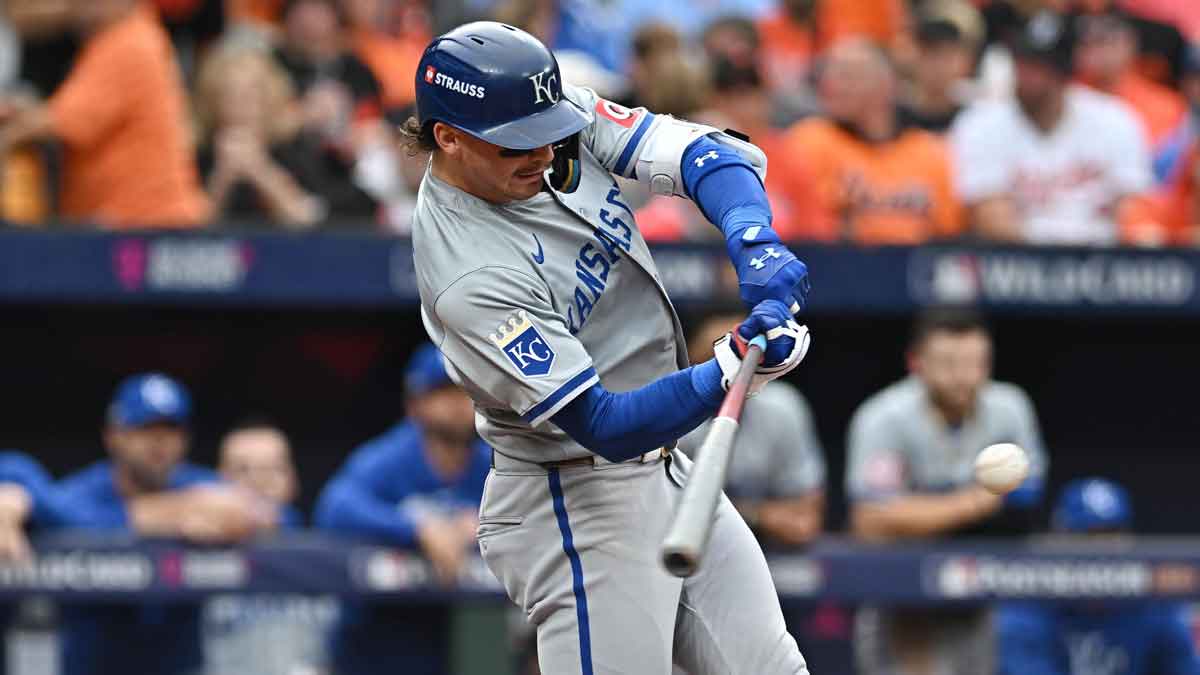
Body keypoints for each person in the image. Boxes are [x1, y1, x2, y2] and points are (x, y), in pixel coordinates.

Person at [408, 21, 812, 674]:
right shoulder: (468, 273)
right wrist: (725, 371)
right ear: (449, 139)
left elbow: (707, 154)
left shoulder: (544, 109)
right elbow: (603, 424)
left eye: (545, 130)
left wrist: (753, 240)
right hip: (574, 497)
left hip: (668, 459)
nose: (541, 151)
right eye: (516, 144)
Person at [846, 308, 1048, 675]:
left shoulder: (1009, 408)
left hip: (980, 596)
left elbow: (1029, 493)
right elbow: (870, 522)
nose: (963, 376)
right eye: (948, 363)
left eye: (975, 363)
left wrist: (922, 512)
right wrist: (976, 501)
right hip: (901, 597)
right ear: (916, 362)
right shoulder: (883, 417)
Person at [51, 373, 278, 675]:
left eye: (170, 430)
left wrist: (234, 517)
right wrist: (168, 514)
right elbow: (50, 513)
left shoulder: (196, 484)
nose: (159, 442)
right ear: (113, 435)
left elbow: (270, 514)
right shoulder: (84, 491)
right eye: (145, 429)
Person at [315, 343, 490, 675]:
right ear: (415, 404)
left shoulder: (490, 462)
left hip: (462, 641)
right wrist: (417, 528)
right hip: (376, 644)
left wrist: (489, 524)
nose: (457, 403)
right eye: (442, 391)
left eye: (464, 390)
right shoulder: (391, 457)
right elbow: (334, 505)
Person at [950, 10, 1157, 245]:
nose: (1025, 75)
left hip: (1103, 266)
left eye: (1038, 67)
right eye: (1021, 63)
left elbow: (1133, 211)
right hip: (1017, 268)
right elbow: (992, 221)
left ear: (1063, 74)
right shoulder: (980, 123)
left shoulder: (1115, 119)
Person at [0, 0, 209, 228]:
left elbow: (58, 124)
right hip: (136, 222)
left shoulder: (128, 42)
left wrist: (7, 138)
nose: (82, 6)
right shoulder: (121, 38)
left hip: (146, 221)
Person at [998, 478, 1200, 675]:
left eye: (1112, 535)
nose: (1103, 549)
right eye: (1088, 536)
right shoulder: (1027, 608)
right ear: (1059, 541)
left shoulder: (1154, 608)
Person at [784, 38, 964, 244]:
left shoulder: (929, 151)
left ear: (887, 85)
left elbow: (949, 233)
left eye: (847, 75)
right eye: (828, 75)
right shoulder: (808, 140)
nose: (832, 84)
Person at [678, 312, 825, 548]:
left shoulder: (782, 409)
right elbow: (654, 514)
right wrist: (762, 515)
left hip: (764, 551)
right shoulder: (669, 411)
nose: (729, 371)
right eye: (714, 359)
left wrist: (745, 513)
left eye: (739, 358)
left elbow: (803, 522)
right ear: (691, 358)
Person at [194, 45, 377, 227]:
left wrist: (260, 171)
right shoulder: (200, 156)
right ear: (212, 103)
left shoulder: (295, 151)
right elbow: (186, 234)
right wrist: (221, 179)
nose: (241, 107)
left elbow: (311, 220)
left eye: (251, 96)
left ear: (270, 100)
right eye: (229, 97)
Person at [1073, 8, 1189, 185]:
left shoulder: (1166, 103)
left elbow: (1159, 167)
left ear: (1130, 44)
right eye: (1086, 43)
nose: (1095, 50)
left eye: (1104, 41)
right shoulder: (1068, 96)